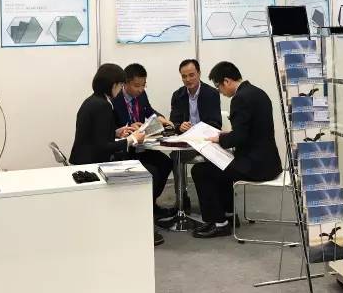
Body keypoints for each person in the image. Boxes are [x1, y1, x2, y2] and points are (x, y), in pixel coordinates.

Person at [69, 64, 165, 247]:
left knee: (152, 167)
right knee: (150, 173)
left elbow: (98, 135)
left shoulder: (94, 101)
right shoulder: (103, 106)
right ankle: (139, 226)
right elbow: (103, 148)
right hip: (94, 165)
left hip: (85, 159)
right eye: (120, 85)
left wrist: (117, 132)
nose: (121, 89)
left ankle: (140, 220)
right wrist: (132, 139)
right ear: (113, 85)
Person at [191, 61, 282, 239]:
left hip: (254, 167)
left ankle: (219, 223)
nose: (220, 92)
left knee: (201, 171)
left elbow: (239, 137)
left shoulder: (240, 99)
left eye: (219, 87)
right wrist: (227, 136)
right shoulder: (258, 92)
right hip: (269, 163)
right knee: (221, 166)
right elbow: (250, 131)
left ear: (226, 81)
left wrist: (220, 139)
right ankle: (230, 215)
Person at [112, 63, 175, 221]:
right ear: (125, 83)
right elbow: (110, 127)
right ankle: (141, 212)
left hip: (141, 146)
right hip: (124, 149)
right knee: (152, 172)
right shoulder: (115, 99)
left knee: (166, 163)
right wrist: (128, 127)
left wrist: (160, 118)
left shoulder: (141, 95)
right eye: (137, 85)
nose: (140, 89)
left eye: (143, 85)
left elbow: (149, 111)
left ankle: (151, 204)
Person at [170, 59, 222, 211]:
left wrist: (198, 129)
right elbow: (173, 122)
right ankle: (182, 199)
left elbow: (216, 123)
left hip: (206, 141)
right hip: (187, 142)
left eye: (191, 75)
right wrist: (180, 126)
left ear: (199, 73)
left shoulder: (211, 93)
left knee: (211, 164)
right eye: (184, 76)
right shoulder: (177, 95)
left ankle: (216, 204)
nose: (188, 79)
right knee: (175, 156)